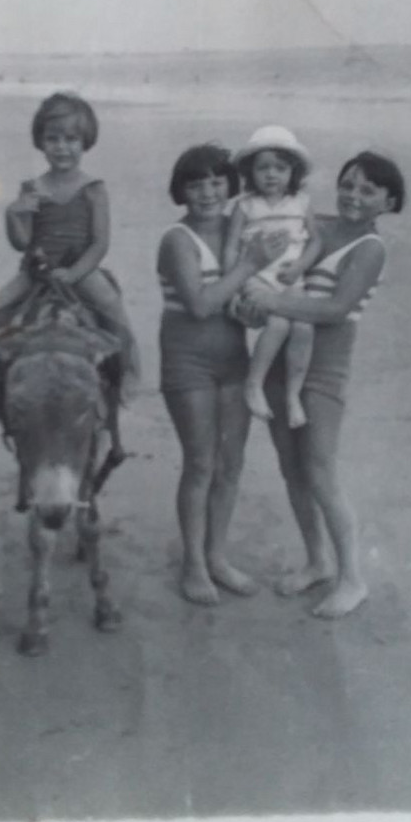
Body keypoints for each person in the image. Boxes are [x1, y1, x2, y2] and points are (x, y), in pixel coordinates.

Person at [243, 150, 405, 618]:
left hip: (325, 368)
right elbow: (265, 275)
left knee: (320, 470)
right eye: (348, 185)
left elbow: (335, 310)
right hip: (277, 359)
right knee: (292, 468)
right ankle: (317, 561)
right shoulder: (317, 224)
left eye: (368, 190)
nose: (354, 196)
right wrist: (251, 306)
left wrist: (274, 301)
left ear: (388, 202)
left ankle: (352, 578)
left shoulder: (370, 249)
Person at [157, 143, 287, 606]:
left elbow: (236, 307)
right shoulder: (177, 239)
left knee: (230, 465)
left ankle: (217, 556)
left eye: (217, 182)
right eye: (196, 184)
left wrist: (255, 309)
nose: (208, 192)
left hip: (234, 360)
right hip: (186, 363)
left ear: (231, 185)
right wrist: (251, 265)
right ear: (181, 190)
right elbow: (199, 304)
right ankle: (193, 563)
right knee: (200, 463)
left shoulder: (240, 231)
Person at [0, 92, 141, 428]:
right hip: (36, 272)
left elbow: (99, 243)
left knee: (115, 314)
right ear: (40, 142)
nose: (62, 147)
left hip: (81, 270)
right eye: (53, 139)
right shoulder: (33, 188)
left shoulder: (92, 188)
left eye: (71, 139)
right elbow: (21, 242)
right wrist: (13, 214)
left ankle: (127, 377)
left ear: (85, 142)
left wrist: (75, 273)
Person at [224, 125, 322, 427]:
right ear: (250, 172)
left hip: (290, 278)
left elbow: (315, 241)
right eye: (263, 168)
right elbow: (230, 248)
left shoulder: (301, 202)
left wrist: (299, 267)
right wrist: (234, 287)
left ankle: (293, 395)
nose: (271, 175)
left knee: (304, 327)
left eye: (280, 168)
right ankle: (254, 383)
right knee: (279, 324)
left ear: (293, 172)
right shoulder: (245, 205)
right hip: (257, 278)